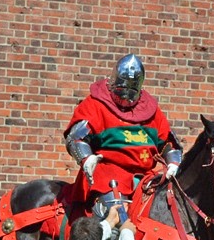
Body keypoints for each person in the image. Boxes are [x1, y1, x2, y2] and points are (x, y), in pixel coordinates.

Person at [64, 54, 183, 211]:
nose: (126, 94)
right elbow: (76, 137)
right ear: (114, 82)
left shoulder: (150, 111)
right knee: (114, 217)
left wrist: (174, 164)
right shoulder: (96, 105)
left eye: (132, 89)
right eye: (123, 88)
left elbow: (168, 143)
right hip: (108, 173)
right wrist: (86, 158)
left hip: (146, 178)